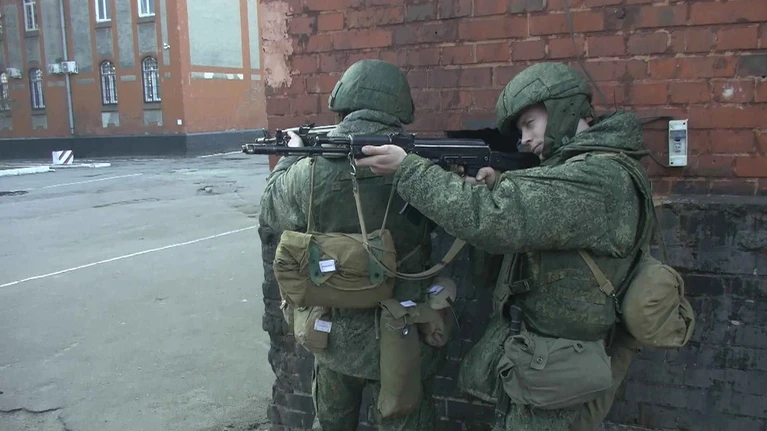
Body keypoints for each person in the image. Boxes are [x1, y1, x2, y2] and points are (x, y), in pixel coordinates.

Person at [354, 62, 655, 431]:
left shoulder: (599, 176)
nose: (524, 139)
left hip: (559, 366)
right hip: (540, 356)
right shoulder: (581, 169)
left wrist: (409, 169)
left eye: (530, 124)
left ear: (564, 109)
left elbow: (496, 219)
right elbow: (525, 219)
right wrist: (496, 186)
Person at [259, 59, 447, 431]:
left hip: (333, 333)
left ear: (343, 102)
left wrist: (291, 156)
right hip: (402, 327)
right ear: (398, 105)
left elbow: (270, 206)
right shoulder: (420, 166)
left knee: (333, 422)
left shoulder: (309, 170)